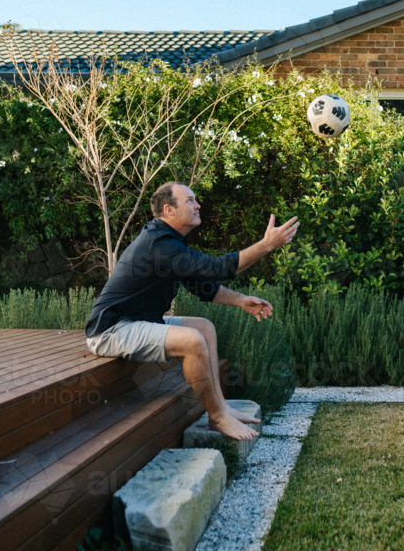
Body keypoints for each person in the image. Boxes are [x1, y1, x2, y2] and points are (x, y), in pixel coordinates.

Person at [85, 181, 299, 441]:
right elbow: (217, 268)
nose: (198, 205)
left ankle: (223, 407)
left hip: (139, 321)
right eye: (190, 201)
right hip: (111, 330)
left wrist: (241, 300)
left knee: (203, 327)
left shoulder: (169, 243)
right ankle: (217, 417)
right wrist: (266, 245)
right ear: (169, 209)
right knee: (192, 340)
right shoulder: (159, 244)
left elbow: (204, 286)